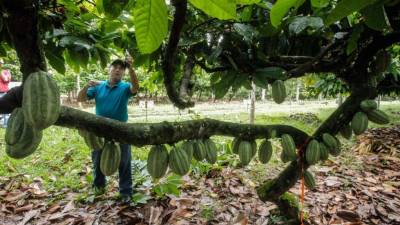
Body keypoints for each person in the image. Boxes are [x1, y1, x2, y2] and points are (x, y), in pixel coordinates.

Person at [77, 57, 139, 203]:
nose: (118, 69)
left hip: (121, 131)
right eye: (115, 67)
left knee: (124, 161)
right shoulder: (98, 87)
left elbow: (135, 87)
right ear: (109, 69)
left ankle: (125, 192)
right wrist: (86, 86)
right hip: (100, 130)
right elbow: (80, 99)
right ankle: (98, 187)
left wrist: (131, 68)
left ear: (123, 72)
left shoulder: (125, 87)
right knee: (97, 159)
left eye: (121, 68)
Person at [0, 60, 11, 128]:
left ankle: (5, 124)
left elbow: (6, 79)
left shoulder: (5, 71)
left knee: (4, 107)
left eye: (0, 63)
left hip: (3, 91)